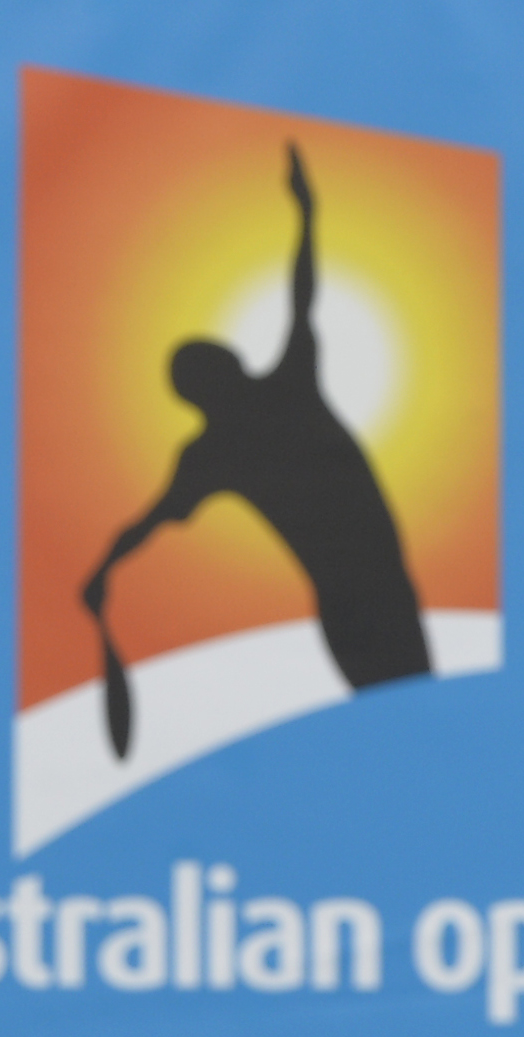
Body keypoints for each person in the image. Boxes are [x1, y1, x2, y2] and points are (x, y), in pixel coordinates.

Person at [81, 142, 431, 757]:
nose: (231, 356)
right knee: (414, 733)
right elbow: (303, 294)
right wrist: (307, 214)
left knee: (402, 736)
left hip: (359, 601)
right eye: (217, 358)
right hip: (370, 597)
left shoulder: (216, 450)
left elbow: (146, 524)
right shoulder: (279, 394)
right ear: (219, 376)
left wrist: (104, 570)